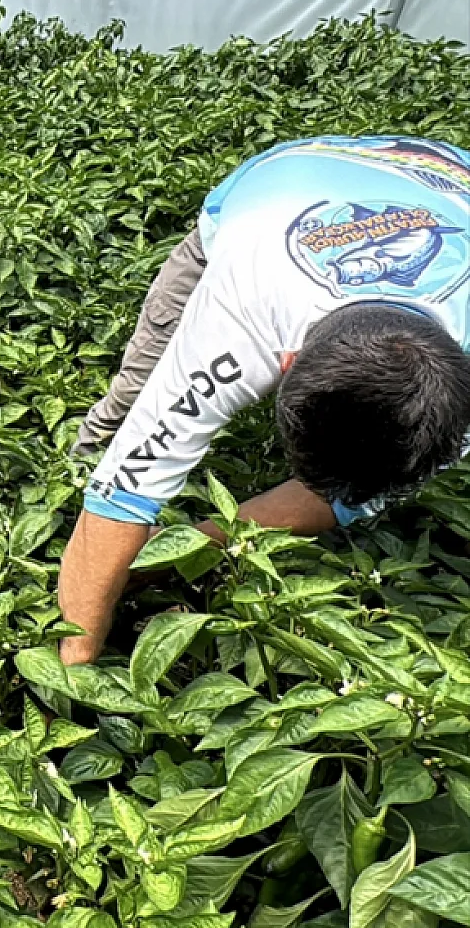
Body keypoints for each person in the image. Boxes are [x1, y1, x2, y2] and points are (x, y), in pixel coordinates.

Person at [62, 135, 470, 664]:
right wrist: (74, 666)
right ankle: (80, 454)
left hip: (448, 180)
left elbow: (336, 498)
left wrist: (176, 553)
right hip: (289, 177)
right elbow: (120, 495)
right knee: (138, 390)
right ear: (283, 362)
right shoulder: (239, 309)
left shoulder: (455, 411)